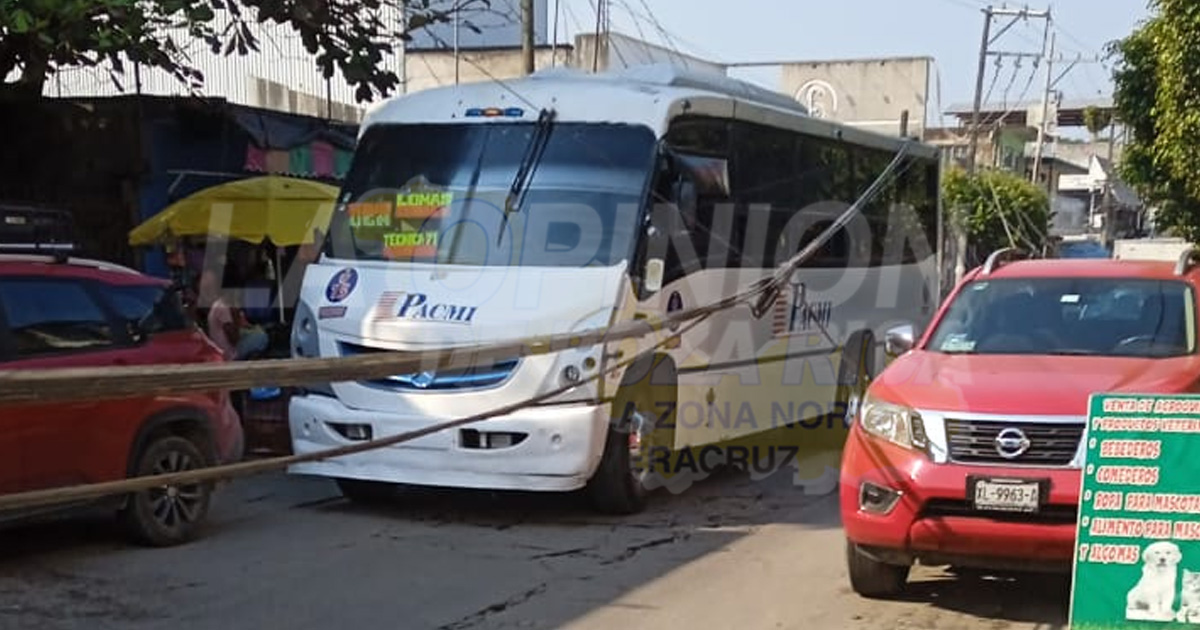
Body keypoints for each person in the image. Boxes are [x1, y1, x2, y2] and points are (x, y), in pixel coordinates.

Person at [198, 267, 269, 361]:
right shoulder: (222, 307)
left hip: (225, 349)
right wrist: (236, 316)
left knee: (257, 331)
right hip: (228, 354)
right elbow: (234, 338)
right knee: (261, 336)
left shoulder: (220, 305)